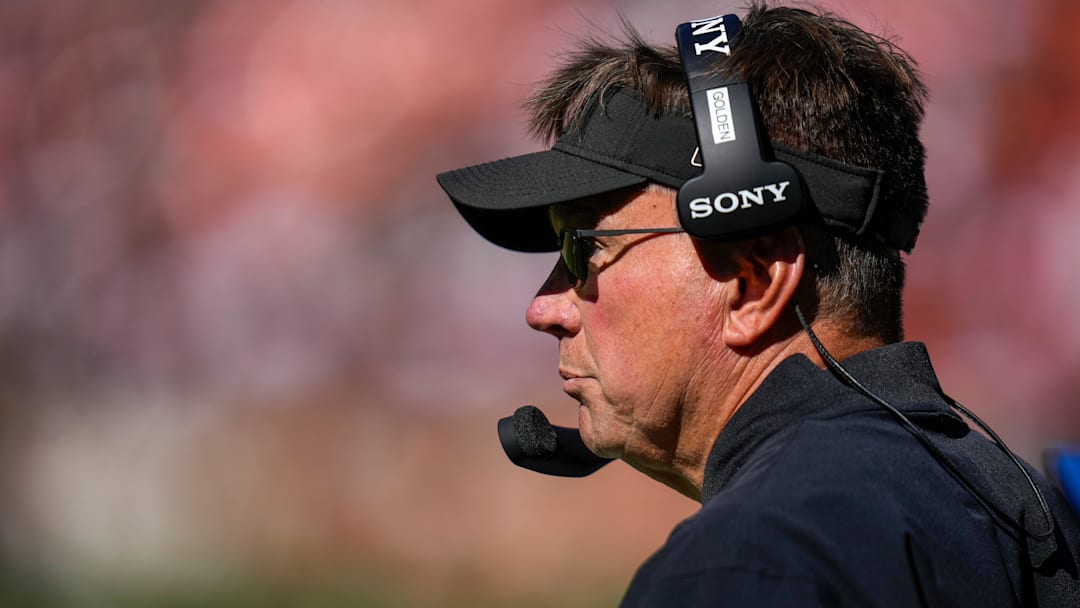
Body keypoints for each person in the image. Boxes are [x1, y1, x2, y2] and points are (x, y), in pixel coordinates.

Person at [436, 2, 1080, 606]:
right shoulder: (1033, 514)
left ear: (755, 280)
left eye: (584, 249)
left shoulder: (745, 565)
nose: (544, 308)